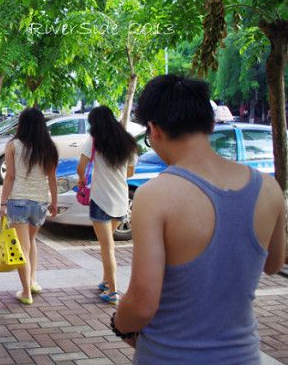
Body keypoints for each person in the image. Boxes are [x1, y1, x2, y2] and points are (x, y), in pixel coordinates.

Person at [113, 75, 286, 363]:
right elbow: (274, 263)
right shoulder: (268, 188)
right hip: (243, 356)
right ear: (210, 124)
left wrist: (119, 323)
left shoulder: (155, 195)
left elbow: (142, 304)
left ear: (154, 130)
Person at [77, 105, 138, 305]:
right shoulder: (128, 141)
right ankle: (106, 281)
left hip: (101, 200)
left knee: (107, 247)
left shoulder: (94, 140)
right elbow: (130, 172)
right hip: (121, 201)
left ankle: (113, 292)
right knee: (108, 244)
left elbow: (81, 167)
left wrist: (82, 179)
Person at [0, 107, 59, 305]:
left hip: (18, 201)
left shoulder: (13, 145)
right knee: (32, 242)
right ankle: (32, 282)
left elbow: (10, 176)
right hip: (40, 202)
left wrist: (3, 203)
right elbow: (52, 178)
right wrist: (54, 202)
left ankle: (26, 292)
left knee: (22, 247)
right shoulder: (49, 147)